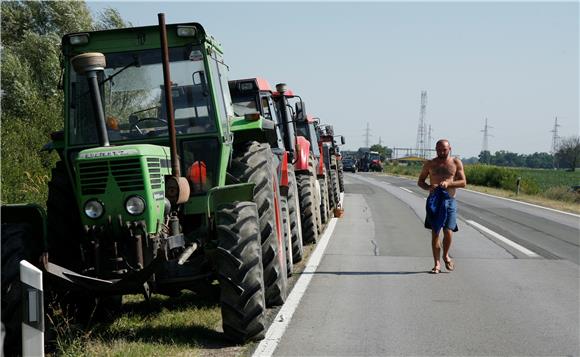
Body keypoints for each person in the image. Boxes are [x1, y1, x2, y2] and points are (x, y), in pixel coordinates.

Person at [417, 139, 466, 274]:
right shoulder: (430, 164)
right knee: (435, 232)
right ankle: (437, 263)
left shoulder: (455, 162)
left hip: (449, 201)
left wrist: (449, 184)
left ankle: (446, 255)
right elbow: (420, 181)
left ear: (449, 148)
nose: (441, 152)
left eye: (444, 149)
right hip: (434, 201)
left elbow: (463, 182)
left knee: (448, 231)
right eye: (438, 150)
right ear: (435, 149)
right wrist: (428, 187)